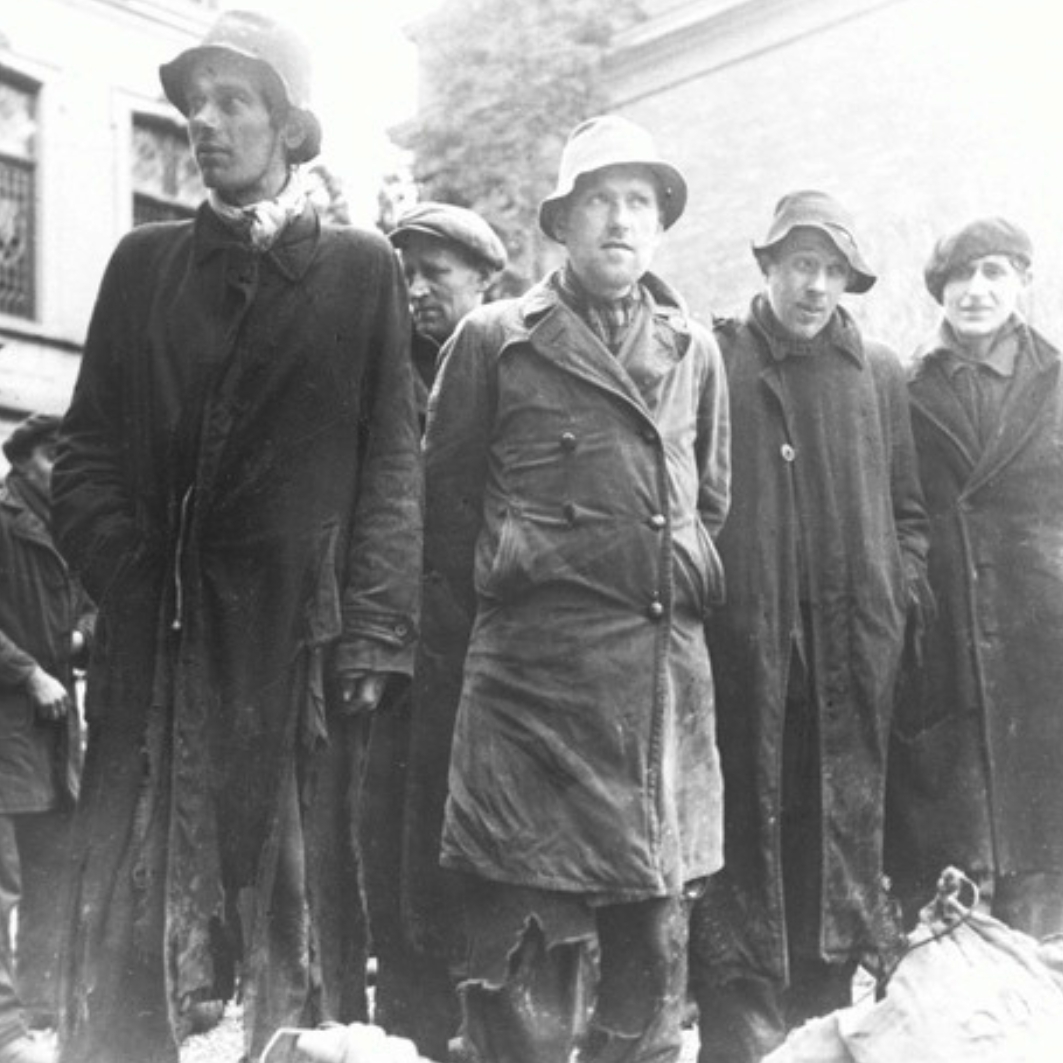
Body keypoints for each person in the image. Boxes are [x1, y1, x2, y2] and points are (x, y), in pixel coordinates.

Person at [50, 11, 422, 1063]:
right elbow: (82, 455)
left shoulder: (360, 272)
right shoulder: (143, 267)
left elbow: (392, 461)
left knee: (290, 916)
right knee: (135, 910)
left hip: (295, 652)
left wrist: (375, 633)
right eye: (196, 103)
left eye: (233, 102)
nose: (204, 124)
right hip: (158, 648)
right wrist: (132, 577)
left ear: (289, 128)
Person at [424, 114, 730, 1063]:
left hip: (653, 678)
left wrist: (670, 569)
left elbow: (708, 498)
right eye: (598, 200)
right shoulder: (494, 338)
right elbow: (445, 508)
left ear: (659, 223)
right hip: (529, 685)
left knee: (649, 948)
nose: (620, 220)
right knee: (518, 945)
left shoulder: (695, 348)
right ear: (561, 222)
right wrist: (528, 565)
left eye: (638, 201)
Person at [688, 190, 930, 1062]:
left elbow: (908, 510)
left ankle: (819, 1029)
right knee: (745, 842)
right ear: (768, 266)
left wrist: (892, 598)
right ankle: (739, 1038)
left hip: (846, 659)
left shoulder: (877, 372)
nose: (815, 286)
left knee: (831, 849)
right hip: (743, 655)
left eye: (831, 271)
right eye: (801, 265)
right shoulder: (715, 357)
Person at [353, 204, 505, 1059]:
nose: (415, 290)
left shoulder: (508, 366)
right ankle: (407, 1020)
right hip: (398, 654)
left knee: (475, 841)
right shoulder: (383, 379)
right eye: (404, 273)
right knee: (392, 838)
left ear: (484, 282)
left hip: (485, 651)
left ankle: (476, 1019)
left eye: (434, 273)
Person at [885, 218, 1063, 938]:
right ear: (939, 291)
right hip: (946, 651)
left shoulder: (1056, 381)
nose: (976, 289)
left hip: (1040, 648)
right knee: (950, 885)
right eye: (960, 276)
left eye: (993, 272)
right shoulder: (903, 388)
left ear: (1020, 282)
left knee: (1041, 869)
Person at [0, 415, 94, 1063]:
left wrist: (83, 635)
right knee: (1, 878)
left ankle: (38, 1008)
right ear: (23, 460)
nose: (63, 468)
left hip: (55, 733)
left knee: (52, 871)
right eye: (53, 456)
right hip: (6, 727)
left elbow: (91, 601)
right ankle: (5, 1027)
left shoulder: (69, 528)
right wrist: (28, 671)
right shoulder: (2, 523)